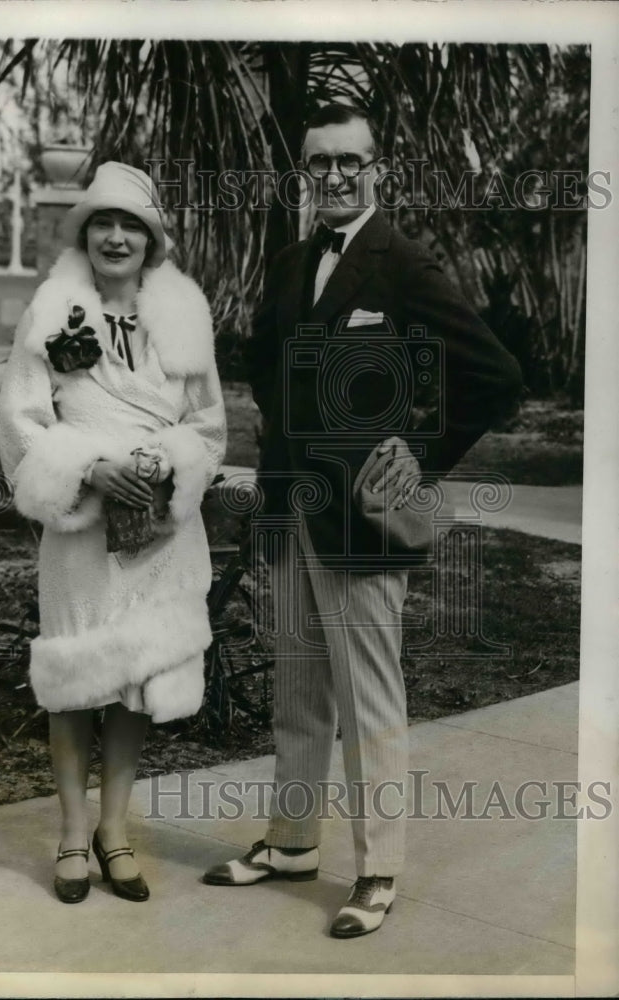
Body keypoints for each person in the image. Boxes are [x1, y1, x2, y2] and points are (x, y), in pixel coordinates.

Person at [202, 104, 522, 937]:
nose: (335, 176)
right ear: (302, 175)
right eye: (320, 165)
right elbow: (266, 374)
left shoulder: (402, 263)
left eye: (351, 161)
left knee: (369, 699)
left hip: (363, 519)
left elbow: (494, 375)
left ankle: (377, 869)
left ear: (377, 168)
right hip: (290, 512)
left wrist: (418, 451)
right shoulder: (286, 264)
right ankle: (291, 843)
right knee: (299, 692)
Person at [0, 162, 226, 904]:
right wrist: (87, 468)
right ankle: (71, 834)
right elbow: (23, 423)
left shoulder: (184, 317)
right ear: (86, 232)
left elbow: (208, 425)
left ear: (152, 240)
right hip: (80, 524)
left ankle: (115, 830)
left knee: (134, 677)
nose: (118, 236)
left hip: (158, 528)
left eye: (132, 225)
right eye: (104, 223)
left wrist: (171, 462)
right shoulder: (52, 311)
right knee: (74, 678)